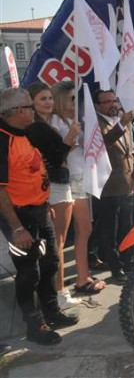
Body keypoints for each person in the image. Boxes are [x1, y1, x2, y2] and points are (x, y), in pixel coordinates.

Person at [0, 87, 79, 345]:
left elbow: (37, 171)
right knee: (28, 272)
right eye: (31, 107)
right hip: (18, 218)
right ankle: (35, 325)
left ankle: (51, 312)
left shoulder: (28, 133)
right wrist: (16, 228)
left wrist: (44, 204)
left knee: (51, 262)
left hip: (40, 210)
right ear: (19, 111)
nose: (37, 111)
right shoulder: (3, 140)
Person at [25, 82, 83, 309]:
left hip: (57, 184)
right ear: (31, 102)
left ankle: (57, 292)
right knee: (57, 244)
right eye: (42, 99)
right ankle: (59, 294)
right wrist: (69, 137)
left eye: (50, 98)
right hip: (55, 186)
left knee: (55, 243)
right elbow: (57, 156)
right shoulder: (38, 128)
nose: (48, 102)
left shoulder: (45, 124)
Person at [49, 81, 106, 296]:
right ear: (62, 99)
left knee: (85, 229)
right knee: (60, 239)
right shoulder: (53, 121)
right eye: (71, 98)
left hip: (80, 177)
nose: (75, 102)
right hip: (64, 180)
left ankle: (83, 278)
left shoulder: (72, 120)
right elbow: (56, 152)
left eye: (76, 98)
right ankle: (58, 290)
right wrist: (74, 137)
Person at [92, 88, 134, 283]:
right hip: (108, 186)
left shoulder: (122, 119)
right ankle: (115, 266)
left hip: (127, 184)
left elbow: (133, 149)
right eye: (107, 102)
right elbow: (103, 142)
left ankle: (127, 260)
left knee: (126, 227)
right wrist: (122, 124)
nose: (113, 105)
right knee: (109, 230)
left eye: (114, 100)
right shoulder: (94, 123)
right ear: (97, 105)